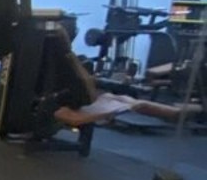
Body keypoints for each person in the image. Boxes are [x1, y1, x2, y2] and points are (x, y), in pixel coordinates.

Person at [48, 28, 201, 128]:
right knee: (133, 101)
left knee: (121, 97)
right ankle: (177, 113)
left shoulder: (52, 59)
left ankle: (177, 113)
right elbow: (85, 87)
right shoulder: (69, 60)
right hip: (77, 99)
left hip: (71, 94)